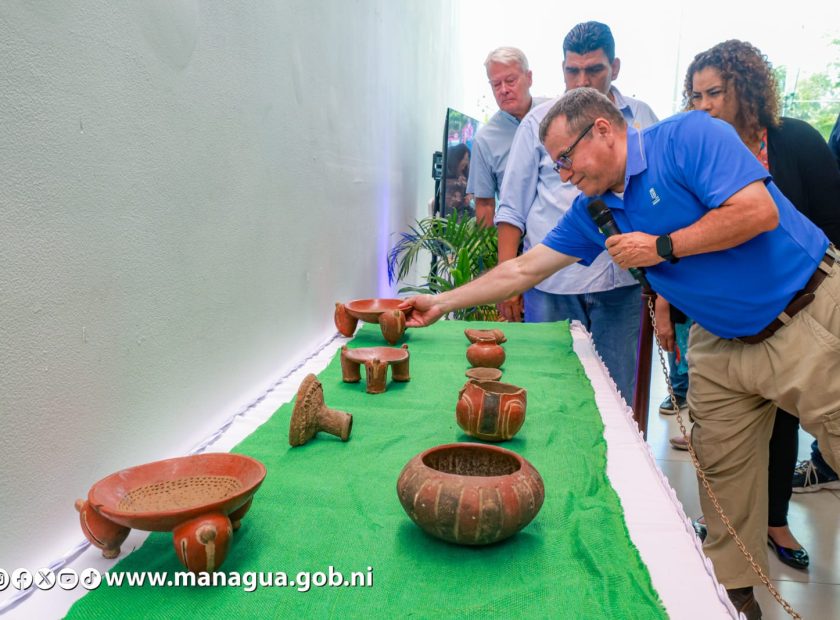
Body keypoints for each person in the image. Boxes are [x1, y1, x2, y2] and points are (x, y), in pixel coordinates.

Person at [402, 86, 840, 619]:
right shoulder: (594, 210)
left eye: (566, 159)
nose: (563, 175)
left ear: (604, 130)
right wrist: (440, 303)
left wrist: (661, 247)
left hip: (807, 313)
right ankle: (732, 598)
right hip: (722, 341)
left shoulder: (688, 137)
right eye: (555, 165)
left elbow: (756, 211)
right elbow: (524, 269)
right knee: (724, 482)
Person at [665, 40, 840, 571]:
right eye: (695, 96)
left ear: (747, 89)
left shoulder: (796, 141)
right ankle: (732, 546)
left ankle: (775, 522)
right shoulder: (695, 157)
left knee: (787, 425)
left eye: (715, 93)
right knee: (727, 440)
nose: (704, 106)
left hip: (800, 316)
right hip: (727, 325)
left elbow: (831, 222)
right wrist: (668, 309)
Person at [493, 21, 658, 402]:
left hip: (622, 286)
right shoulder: (538, 123)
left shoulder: (641, 116)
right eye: (573, 71)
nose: (582, 81)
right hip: (553, 285)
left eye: (594, 69)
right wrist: (509, 284)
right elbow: (512, 208)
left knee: (616, 397)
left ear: (614, 67)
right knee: (549, 391)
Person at [467, 47, 547, 227]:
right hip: (517, 236)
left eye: (510, 81)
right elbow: (485, 204)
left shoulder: (555, 113)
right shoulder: (485, 139)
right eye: (496, 84)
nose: (503, 90)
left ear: (529, 78)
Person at [444, 144, 471, 218]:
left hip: (465, 211)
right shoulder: (447, 175)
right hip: (451, 213)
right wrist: (458, 183)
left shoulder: (465, 174)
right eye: (464, 159)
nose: (466, 162)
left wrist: (469, 196)